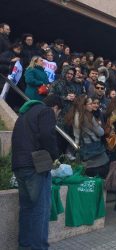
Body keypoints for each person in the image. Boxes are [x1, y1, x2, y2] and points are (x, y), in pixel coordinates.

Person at [12, 95, 63, 250]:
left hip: (20, 165)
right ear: (55, 107)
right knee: (40, 211)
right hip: (36, 166)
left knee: (27, 208)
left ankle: (25, 246)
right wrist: (54, 155)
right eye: (58, 112)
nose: (56, 115)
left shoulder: (24, 114)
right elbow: (47, 135)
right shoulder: (46, 112)